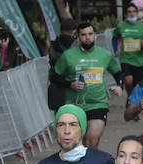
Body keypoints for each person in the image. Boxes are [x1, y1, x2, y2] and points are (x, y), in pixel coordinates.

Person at [50, 19, 124, 147]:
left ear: (95, 35)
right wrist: (70, 84)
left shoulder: (105, 55)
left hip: (98, 104)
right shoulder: (68, 56)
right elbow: (54, 77)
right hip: (74, 105)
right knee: (78, 144)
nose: (87, 38)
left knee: (92, 141)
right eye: (83, 35)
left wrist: (119, 86)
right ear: (77, 37)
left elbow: (118, 73)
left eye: (90, 34)